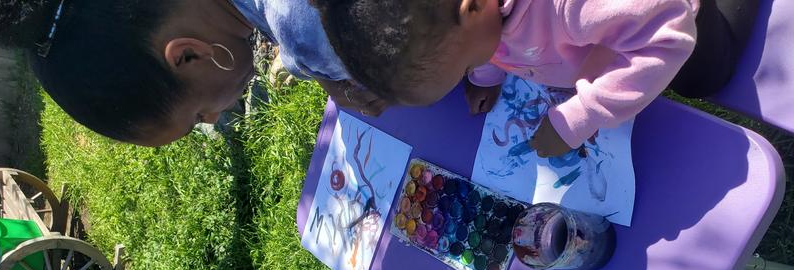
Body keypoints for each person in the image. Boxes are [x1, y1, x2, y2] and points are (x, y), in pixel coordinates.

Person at [310, 0, 760, 157]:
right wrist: (485, 73)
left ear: (471, 9)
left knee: (704, 75)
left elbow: (667, 36)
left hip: (664, 17)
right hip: (607, 35)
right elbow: (490, 42)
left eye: (465, 64)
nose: (472, 69)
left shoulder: (573, 5)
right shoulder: (466, 18)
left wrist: (580, 116)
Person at [0, 0, 384, 147]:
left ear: (187, 56)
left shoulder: (317, 36)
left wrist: (353, 71)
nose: (213, 117)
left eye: (198, 116)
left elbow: (434, 81)